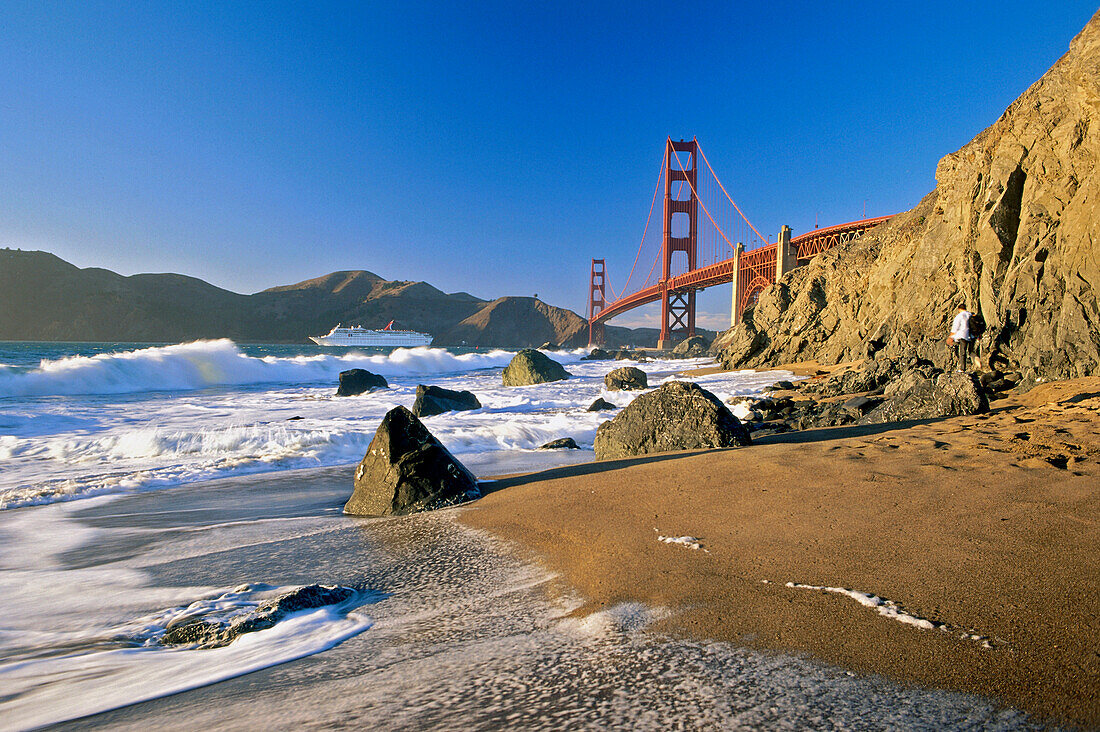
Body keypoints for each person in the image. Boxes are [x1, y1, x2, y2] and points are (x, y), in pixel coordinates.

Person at [948, 304, 974, 371]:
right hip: (971, 336)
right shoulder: (970, 314)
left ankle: (962, 368)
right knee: (971, 352)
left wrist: (951, 337)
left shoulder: (959, 316)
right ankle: (978, 363)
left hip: (962, 336)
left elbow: (955, 328)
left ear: (959, 309)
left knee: (962, 353)